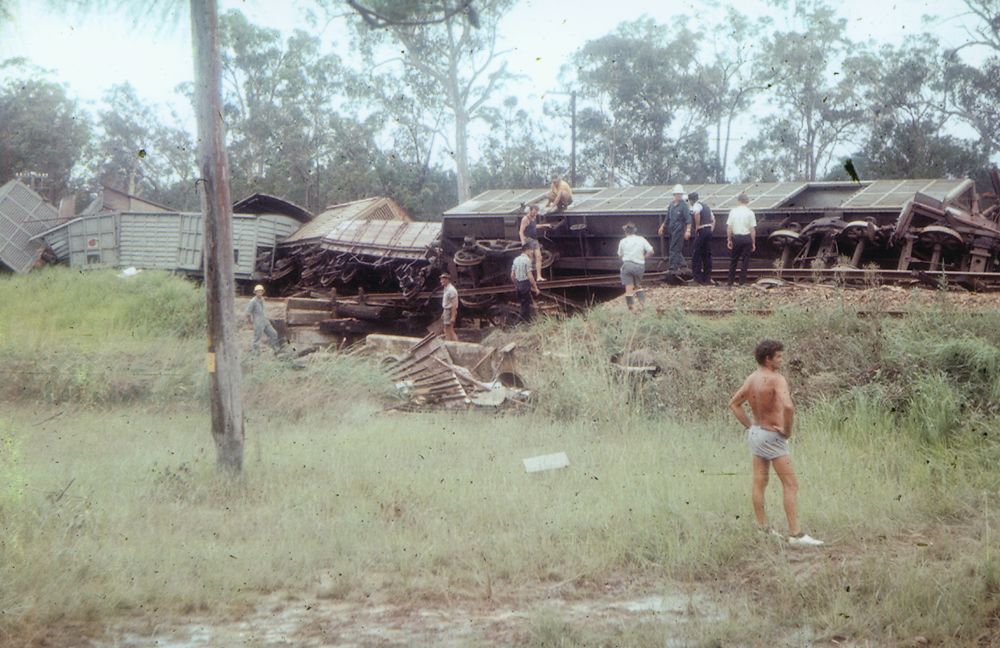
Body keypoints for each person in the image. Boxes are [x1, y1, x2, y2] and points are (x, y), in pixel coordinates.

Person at [728, 340, 824, 547]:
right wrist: (787, 431)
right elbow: (788, 407)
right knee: (791, 484)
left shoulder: (752, 378)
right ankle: (795, 535)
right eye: (778, 356)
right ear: (767, 359)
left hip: (757, 434)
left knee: (759, 483)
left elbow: (734, 404)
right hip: (773, 436)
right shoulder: (776, 379)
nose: (782, 359)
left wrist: (750, 427)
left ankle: (763, 528)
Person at [617, 222, 654, 312]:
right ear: (634, 231)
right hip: (639, 266)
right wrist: (643, 258)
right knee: (637, 285)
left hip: (627, 265)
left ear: (625, 232)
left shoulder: (623, 241)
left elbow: (619, 255)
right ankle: (643, 306)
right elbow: (651, 251)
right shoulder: (641, 239)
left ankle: (632, 309)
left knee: (629, 289)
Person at [657, 184, 692, 280]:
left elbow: (688, 219)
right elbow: (667, 218)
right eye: (677, 194)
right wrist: (662, 227)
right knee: (674, 248)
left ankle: (673, 267)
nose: (679, 196)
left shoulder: (684, 206)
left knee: (673, 248)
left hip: (679, 230)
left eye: (680, 194)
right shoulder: (671, 205)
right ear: (674, 195)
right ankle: (683, 265)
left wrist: (688, 231)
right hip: (671, 230)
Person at [726, 192, 756, 286]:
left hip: (736, 238)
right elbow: (752, 229)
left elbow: (729, 228)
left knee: (733, 260)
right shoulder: (750, 212)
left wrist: (729, 239)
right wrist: (753, 242)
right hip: (747, 238)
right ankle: (742, 282)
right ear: (747, 201)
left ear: (738, 201)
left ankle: (730, 282)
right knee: (745, 261)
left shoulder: (733, 211)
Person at [519, 204, 552, 282]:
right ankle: (526, 277)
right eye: (534, 212)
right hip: (528, 239)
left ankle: (539, 276)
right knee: (530, 259)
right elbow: (520, 232)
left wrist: (544, 225)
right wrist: (523, 243)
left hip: (534, 240)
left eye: (536, 212)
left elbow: (534, 226)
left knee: (539, 257)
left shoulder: (533, 218)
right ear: (530, 210)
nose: (535, 214)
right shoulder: (525, 219)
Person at [689, 191, 715, 285]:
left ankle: (697, 278)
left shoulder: (696, 205)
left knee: (696, 254)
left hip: (702, 230)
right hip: (708, 230)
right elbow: (713, 219)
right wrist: (711, 228)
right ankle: (707, 278)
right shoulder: (706, 206)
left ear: (691, 200)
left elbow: (696, 214)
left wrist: (697, 227)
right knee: (707, 255)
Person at [245, 284, 280, 354]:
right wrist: (250, 323)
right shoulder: (252, 301)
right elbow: (248, 313)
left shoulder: (262, 299)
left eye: (261, 291)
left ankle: (276, 350)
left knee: (274, 334)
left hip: (265, 321)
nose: (259, 293)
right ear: (255, 292)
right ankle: (255, 353)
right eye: (258, 291)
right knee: (257, 338)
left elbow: (264, 310)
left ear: (262, 292)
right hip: (258, 323)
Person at [510, 244, 540, 323]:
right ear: (526, 250)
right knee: (525, 306)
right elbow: (530, 276)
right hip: (525, 284)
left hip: (519, 285)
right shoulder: (527, 260)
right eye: (531, 250)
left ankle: (526, 322)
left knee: (523, 305)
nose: (532, 252)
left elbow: (512, 275)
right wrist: (536, 288)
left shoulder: (516, 259)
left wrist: (517, 284)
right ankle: (518, 323)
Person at [439, 272, 459, 341]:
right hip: (446, 311)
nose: (441, 281)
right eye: (441, 279)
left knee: (450, 330)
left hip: (450, 311)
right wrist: (443, 313)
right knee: (446, 329)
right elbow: (446, 302)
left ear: (447, 280)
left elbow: (454, 304)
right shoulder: (446, 289)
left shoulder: (451, 290)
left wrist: (453, 317)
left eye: (442, 280)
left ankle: (455, 345)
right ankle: (449, 343)